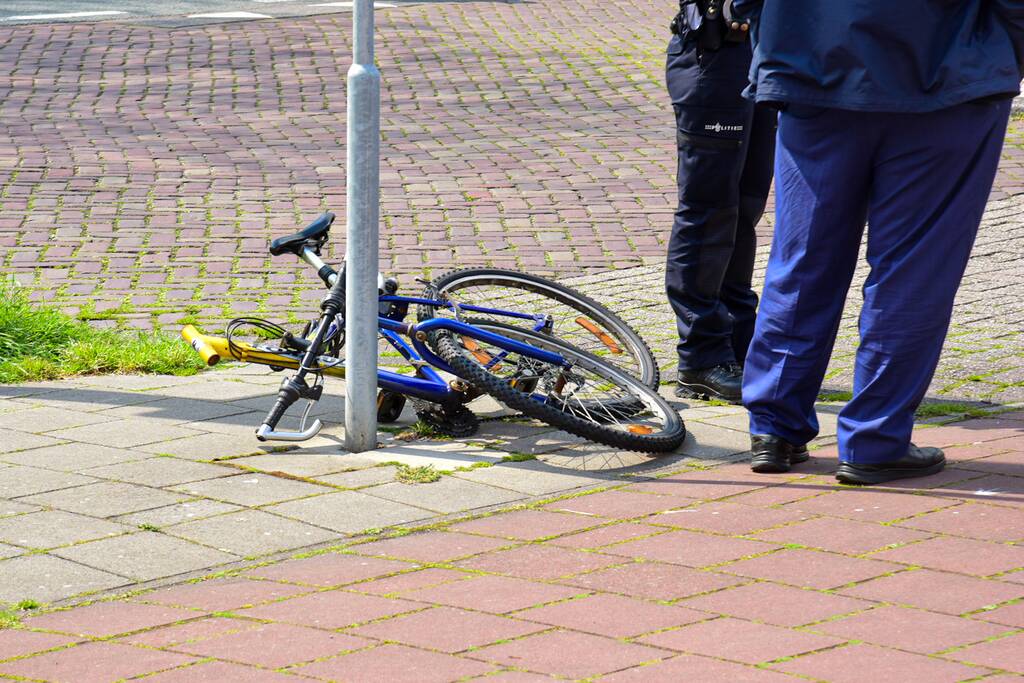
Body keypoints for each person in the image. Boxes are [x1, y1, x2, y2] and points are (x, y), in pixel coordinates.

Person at [736, 0, 1023, 483]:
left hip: (813, 66)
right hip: (947, 77)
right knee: (914, 270)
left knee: (803, 259)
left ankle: (774, 428)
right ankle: (875, 438)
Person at [665, 0, 776, 404]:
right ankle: (701, 357)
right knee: (708, 210)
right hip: (714, 53)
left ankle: (738, 344)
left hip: (764, 53)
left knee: (744, 208)